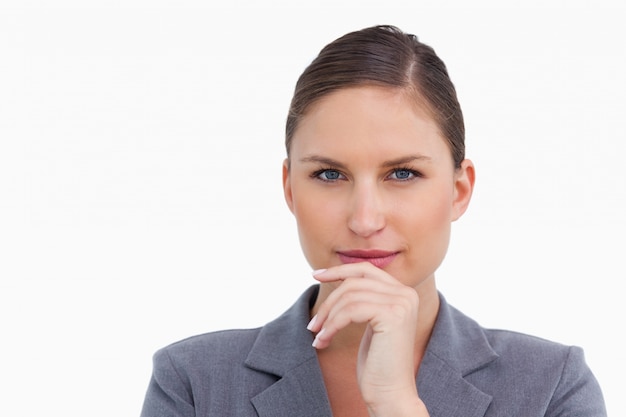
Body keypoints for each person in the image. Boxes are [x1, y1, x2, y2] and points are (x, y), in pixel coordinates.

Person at [139, 25, 606, 417]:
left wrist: (399, 405)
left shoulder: (550, 388)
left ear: (459, 191)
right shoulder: (193, 384)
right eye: (328, 174)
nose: (364, 219)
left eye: (403, 173)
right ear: (289, 189)